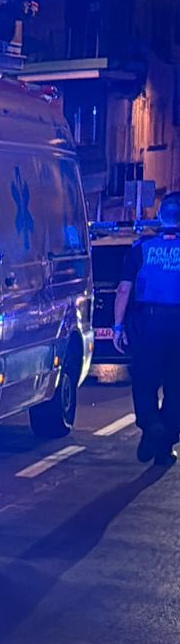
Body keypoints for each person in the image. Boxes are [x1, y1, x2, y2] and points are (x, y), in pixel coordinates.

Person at [116, 191, 180, 464]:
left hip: (148, 323)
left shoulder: (141, 249)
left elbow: (123, 290)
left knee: (145, 381)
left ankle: (150, 426)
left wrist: (118, 326)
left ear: (160, 215)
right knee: (176, 386)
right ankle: (164, 444)